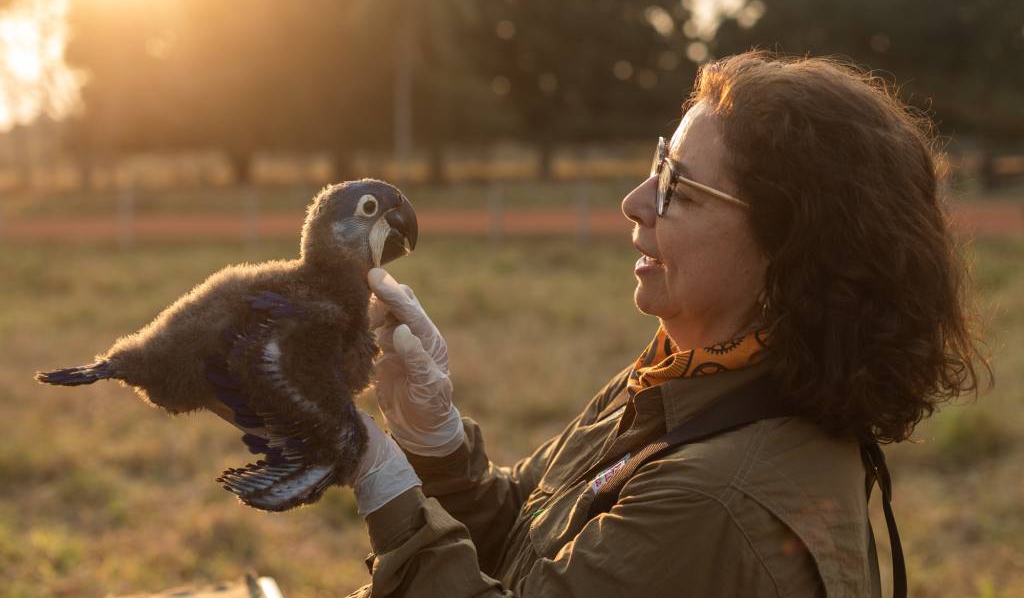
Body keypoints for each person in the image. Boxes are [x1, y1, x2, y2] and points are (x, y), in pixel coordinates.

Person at [345, 52, 989, 597]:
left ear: (788, 242)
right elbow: (524, 542)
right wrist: (436, 443)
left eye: (676, 187)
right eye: (659, 165)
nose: (634, 202)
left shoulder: (714, 499)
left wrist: (382, 480)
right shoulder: (688, 373)